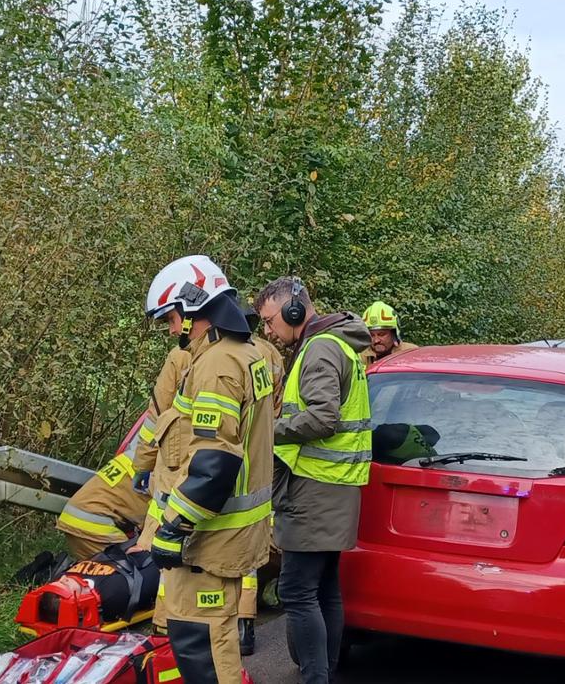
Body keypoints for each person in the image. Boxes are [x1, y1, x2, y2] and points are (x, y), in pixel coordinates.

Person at [134, 255, 275, 684]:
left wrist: (174, 526)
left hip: (210, 538)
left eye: (172, 318)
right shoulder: (244, 353)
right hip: (227, 533)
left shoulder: (217, 364)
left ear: (194, 307)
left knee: (204, 649)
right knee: (213, 642)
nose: (171, 329)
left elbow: (215, 462)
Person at [254, 277, 373, 684]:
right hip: (336, 487)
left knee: (296, 591)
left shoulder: (320, 348)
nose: (268, 331)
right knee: (324, 590)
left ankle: (315, 678)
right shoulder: (339, 344)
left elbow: (323, 418)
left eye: (270, 320)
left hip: (316, 489)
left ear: (294, 311)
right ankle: (325, 673)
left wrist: (267, 431)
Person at [54, 302, 193, 561]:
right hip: (100, 523)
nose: (172, 330)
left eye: (171, 320)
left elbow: (155, 417)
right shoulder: (211, 357)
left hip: (86, 517)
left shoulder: (183, 357)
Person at [360, 301, 419, 366]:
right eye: (372, 335)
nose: (376, 340)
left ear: (394, 334)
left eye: (381, 334)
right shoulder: (360, 357)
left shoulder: (411, 353)